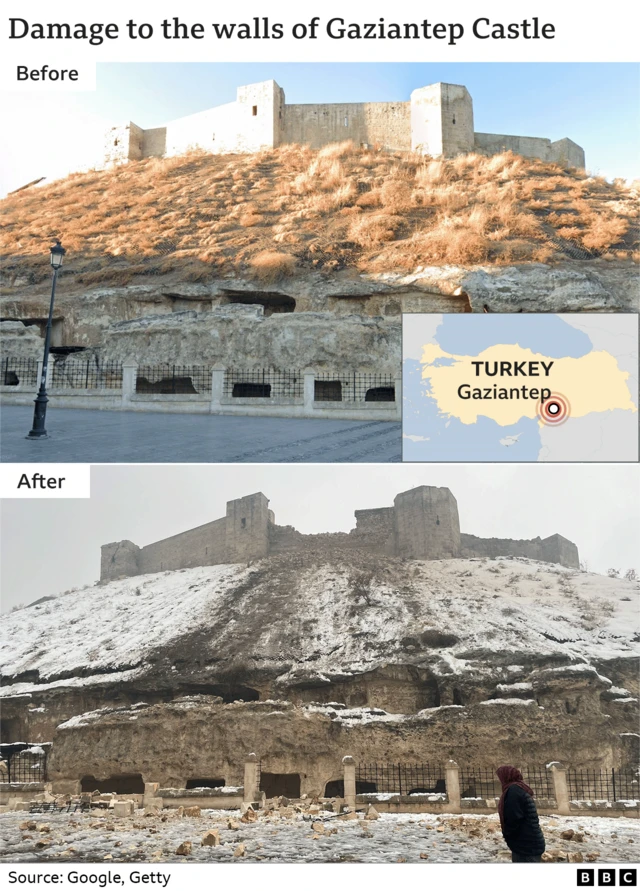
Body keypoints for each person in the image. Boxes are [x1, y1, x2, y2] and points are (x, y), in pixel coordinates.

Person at [496, 765, 546, 862]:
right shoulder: (519, 788)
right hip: (530, 841)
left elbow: (514, 817)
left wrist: (508, 835)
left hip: (525, 844)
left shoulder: (513, 791)